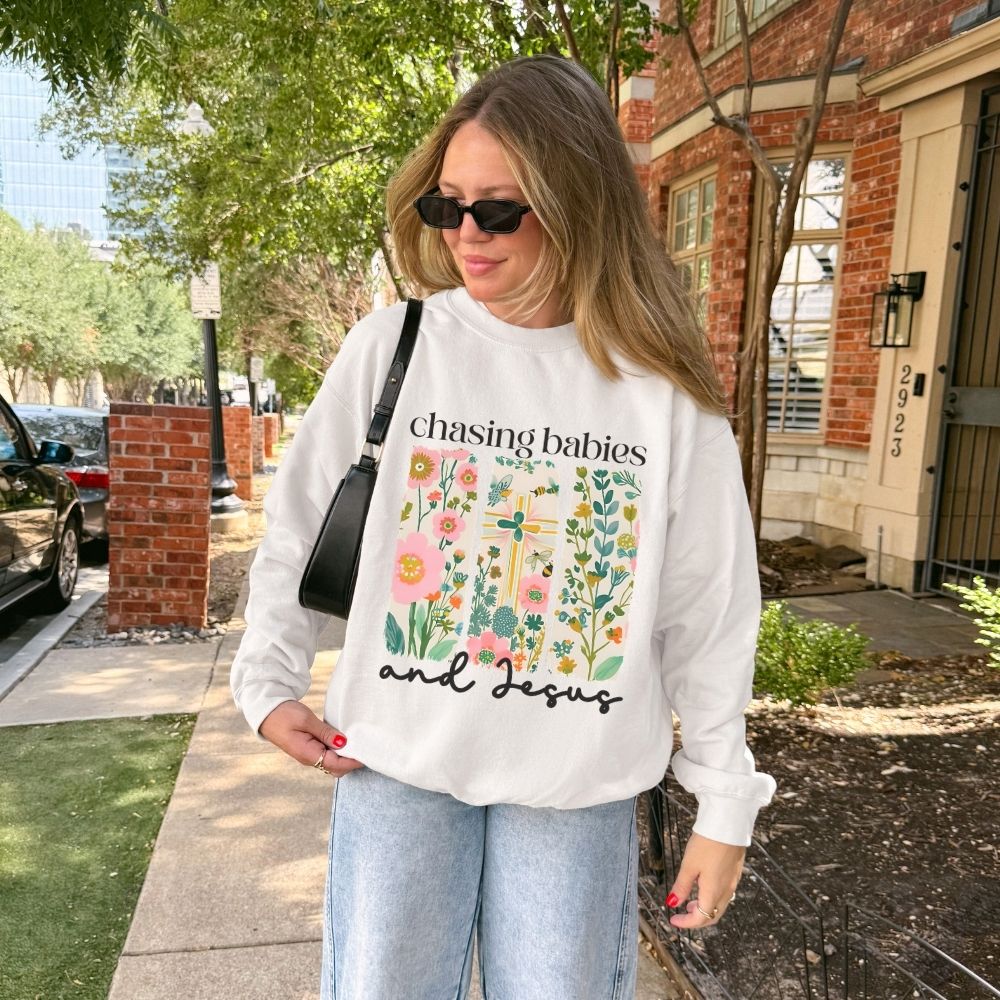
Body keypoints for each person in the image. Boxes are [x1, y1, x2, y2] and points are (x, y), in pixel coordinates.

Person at [230, 53, 777, 1000]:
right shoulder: (395, 347)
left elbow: (711, 608)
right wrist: (266, 682)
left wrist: (724, 802)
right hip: (399, 765)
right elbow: (299, 528)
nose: (465, 237)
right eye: (448, 206)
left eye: (498, 210)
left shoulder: (659, 394)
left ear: (577, 205)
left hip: (576, 790)